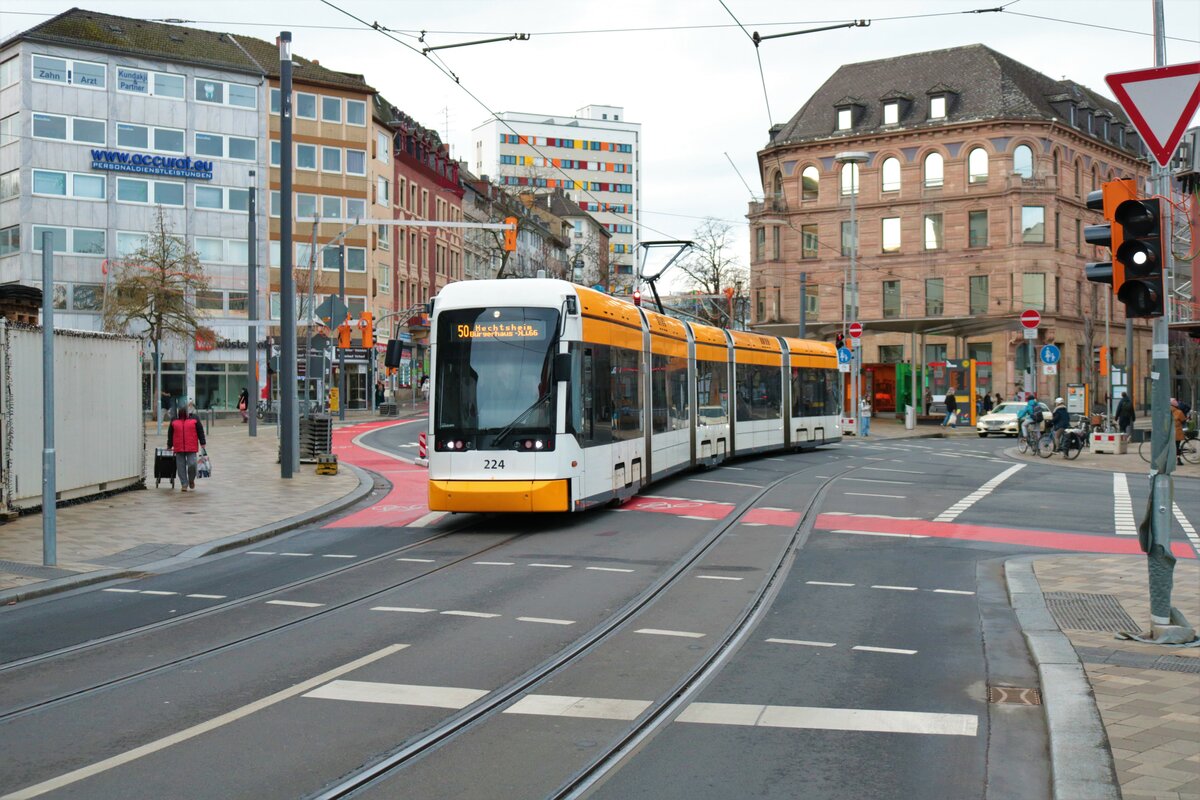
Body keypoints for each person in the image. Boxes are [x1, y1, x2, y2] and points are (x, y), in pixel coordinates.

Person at [167, 404, 206, 492]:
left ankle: (191, 479)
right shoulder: (174, 420)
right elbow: (170, 433)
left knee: (192, 464)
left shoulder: (194, 418)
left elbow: (200, 430)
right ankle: (184, 484)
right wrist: (169, 445)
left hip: (191, 446)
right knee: (180, 467)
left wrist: (202, 442)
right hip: (178, 447)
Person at [1173, 398, 1186, 465]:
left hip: (1168, 432)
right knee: (1177, 446)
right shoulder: (1179, 412)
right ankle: (1178, 460)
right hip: (1177, 432)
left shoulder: (1166, 411)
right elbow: (1183, 421)